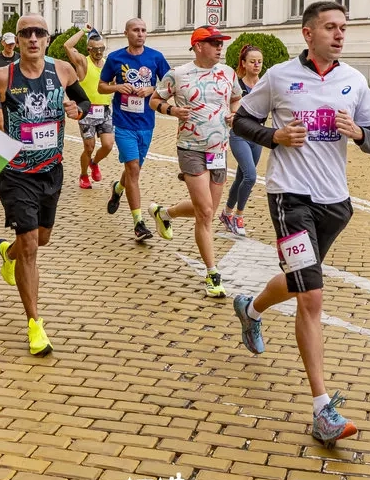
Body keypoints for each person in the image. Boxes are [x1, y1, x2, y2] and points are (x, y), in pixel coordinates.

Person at [231, 1, 370, 446]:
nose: (339, 35)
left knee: (302, 280)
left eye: (343, 28)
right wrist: (274, 136)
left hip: (335, 203)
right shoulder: (280, 76)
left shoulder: (354, 80)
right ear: (308, 33)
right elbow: (241, 120)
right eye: (330, 27)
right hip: (290, 197)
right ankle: (322, 411)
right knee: (311, 295)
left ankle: (251, 309)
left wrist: (359, 134)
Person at [0, 15, 91, 356]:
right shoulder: (1, 76)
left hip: (51, 171)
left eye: (39, 33)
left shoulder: (63, 71)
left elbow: (84, 102)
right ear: (17, 39)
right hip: (15, 173)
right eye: (26, 33)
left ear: (47, 39)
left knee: (40, 239)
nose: (32, 38)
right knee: (30, 245)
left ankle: (8, 253)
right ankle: (35, 325)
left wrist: (77, 110)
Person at [149, 26, 242, 298]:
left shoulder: (228, 73)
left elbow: (237, 99)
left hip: (218, 150)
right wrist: (172, 110)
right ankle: (212, 273)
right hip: (190, 148)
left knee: (208, 210)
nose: (220, 47)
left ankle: (165, 213)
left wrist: (234, 115)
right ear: (198, 46)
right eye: (214, 43)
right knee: (205, 212)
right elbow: (155, 100)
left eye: (221, 43)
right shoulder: (178, 74)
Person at [98, 18, 171, 243]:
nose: (140, 34)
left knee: (134, 170)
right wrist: (117, 87)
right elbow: (101, 87)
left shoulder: (156, 57)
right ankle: (138, 223)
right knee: (132, 168)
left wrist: (152, 89)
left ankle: (118, 188)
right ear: (126, 33)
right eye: (136, 30)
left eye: (143, 30)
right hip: (123, 123)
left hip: (146, 123)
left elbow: (170, 86)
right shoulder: (115, 58)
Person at [61, 26, 114, 189]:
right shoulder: (83, 62)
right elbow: (67, 46)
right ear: (89, 49)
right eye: (95, 49)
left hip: (105, 110)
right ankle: (84, 175)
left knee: (108, 145)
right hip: (87, 111)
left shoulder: (107, 64)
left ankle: (94, 163)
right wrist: (83, 31)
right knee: (89, 147)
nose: (99, 52)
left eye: (102, 49)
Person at [221, 45, 265, 237]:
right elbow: (227, 105)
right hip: (239, 135)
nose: (256, 65)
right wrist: (230, 115)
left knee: (241, 177)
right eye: (252, 61)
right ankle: (238, 216)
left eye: (260, 62)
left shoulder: (265, 85)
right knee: (250, 176)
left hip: (258, 136)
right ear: (244, 64)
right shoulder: (237, 85)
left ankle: (226, 213)